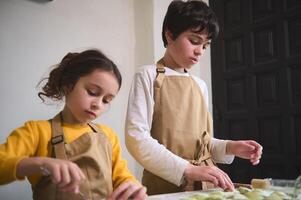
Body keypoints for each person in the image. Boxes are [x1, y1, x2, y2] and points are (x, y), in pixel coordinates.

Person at [125, 0, 263, 195]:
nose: (200, 51)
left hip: (206, 186)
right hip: (165, 186)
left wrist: (231, 147)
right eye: (195, 41)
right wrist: (188, 169)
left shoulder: (200, 85)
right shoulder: (148, 75)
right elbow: (136, 138)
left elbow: (203, 144)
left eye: (205, 45)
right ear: (170, 34)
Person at [0, 49, 147, 200]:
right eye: (92, 92)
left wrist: (132, 186)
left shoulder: (108, 136)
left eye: (106, 100)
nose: (98, 105)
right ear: (68, 85)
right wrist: (41, 163)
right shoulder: (36, 131)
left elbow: (122, 177)